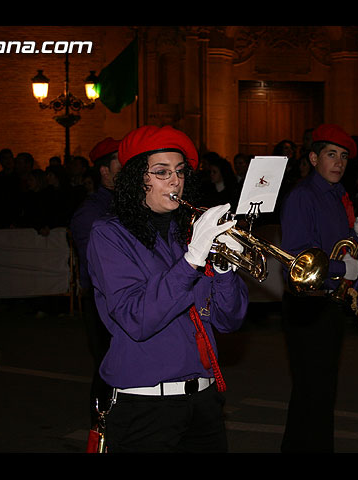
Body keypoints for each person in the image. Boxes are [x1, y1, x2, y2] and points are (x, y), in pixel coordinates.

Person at [86, 125, 248, 453]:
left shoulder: (187, 235)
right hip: (144, 407)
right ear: (136, 179)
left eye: (180, 171)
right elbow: (137, 319)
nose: (175, 181)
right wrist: (191, 260)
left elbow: (229, 321)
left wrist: (224, 267)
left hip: (204, 402)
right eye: (161, 172)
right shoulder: (109, 235)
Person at [279, 123, 358, 453]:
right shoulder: (303, 196)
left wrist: (356, 237)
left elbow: (335, 245)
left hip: (327, 302)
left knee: (320, 391)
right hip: (307, 304)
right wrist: (342, 268)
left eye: (343, 157)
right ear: (313, 158)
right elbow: (298, 256)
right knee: (313, 391)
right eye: (330, 155)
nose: (338, 163)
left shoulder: (337, 195)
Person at [69, 137, 121, 429]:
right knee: (108, 370)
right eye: (121, 163)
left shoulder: (131, 202)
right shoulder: (91, 212)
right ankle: (101, 432)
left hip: (126, 299)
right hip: (105, 303)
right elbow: (98, 268)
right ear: (105, 171)